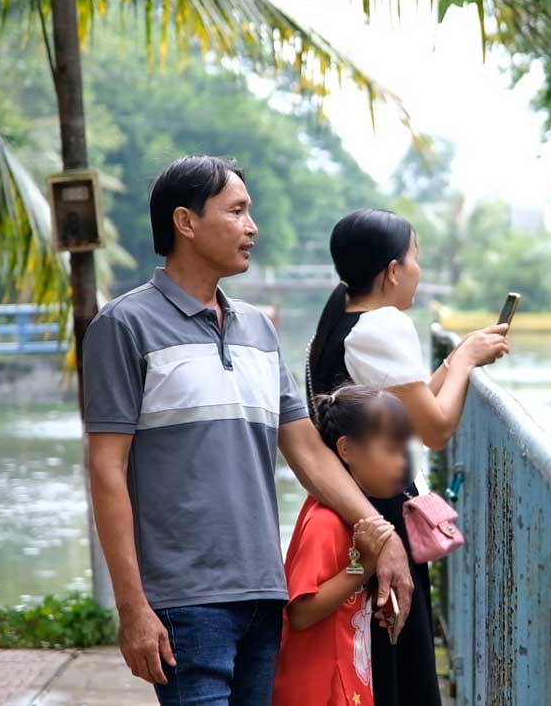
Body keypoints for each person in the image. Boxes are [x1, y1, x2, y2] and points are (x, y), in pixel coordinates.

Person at [83, 157, 414, 705]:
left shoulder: (257, 329)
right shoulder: (124, 326)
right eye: (236, 211)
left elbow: (307, 448)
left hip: (265, 593)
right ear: (186, 223)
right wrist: (133, 608)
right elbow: (106, 470)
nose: (251, 227)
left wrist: (379, 532)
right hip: (185, 602)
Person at [308, 208, 509, 706]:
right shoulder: (383, 325)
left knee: (378, 658)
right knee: (400, 662)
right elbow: (436, 429)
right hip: (382, 511)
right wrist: (463, 360)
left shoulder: (340, 318)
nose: (419, 269)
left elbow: (407, 413)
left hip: (354, 502)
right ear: (393, 271)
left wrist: (454, 360)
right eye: (415, 257)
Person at [273, 384, 414, 706]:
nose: (402, 464)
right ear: (347, 449)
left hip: (345, 682)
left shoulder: (351, 519)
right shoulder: (326, 523)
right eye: (391, 451)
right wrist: (362, 567)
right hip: (318, 689)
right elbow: (300, 612)